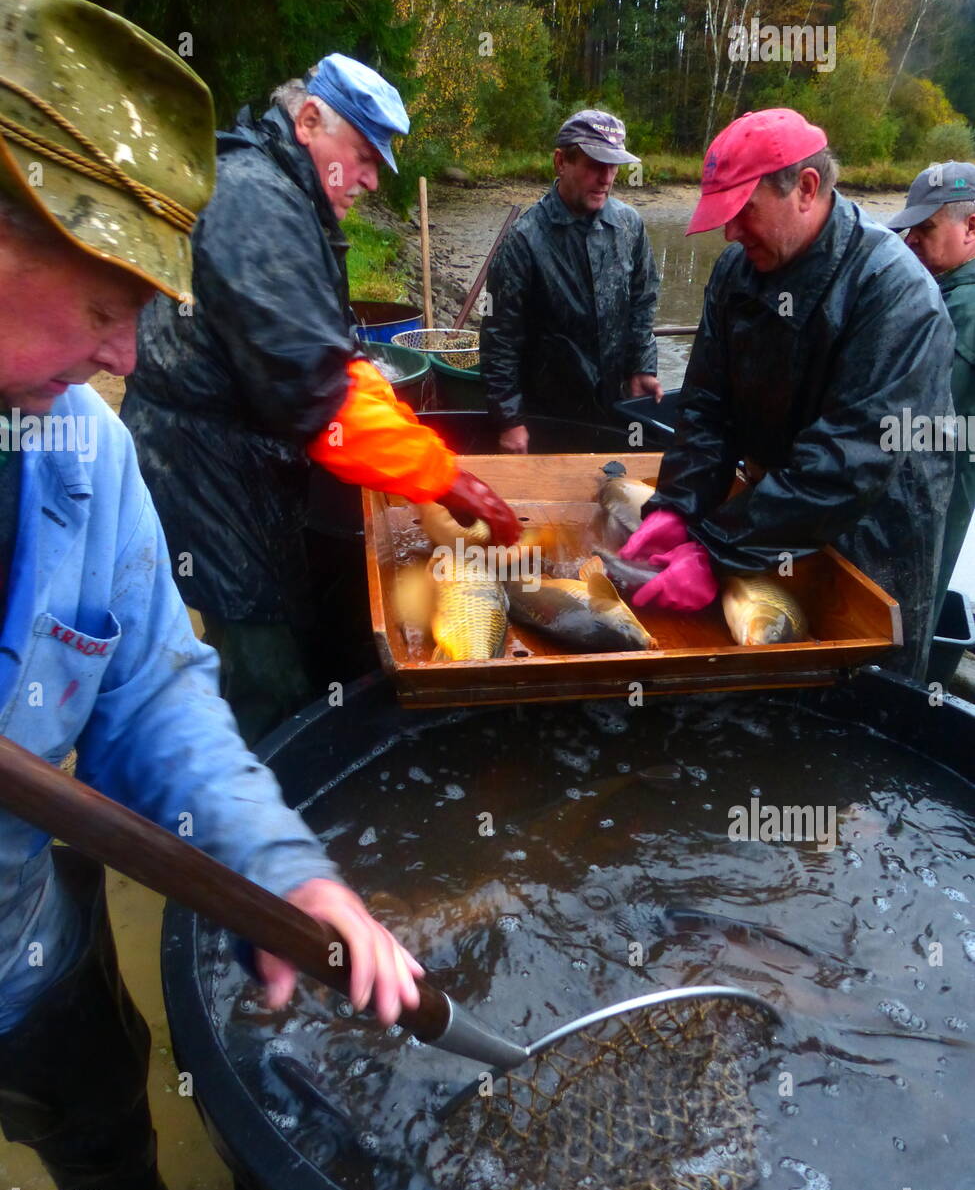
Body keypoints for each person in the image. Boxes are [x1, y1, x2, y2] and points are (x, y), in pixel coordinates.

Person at [0, 0, 424, 1190]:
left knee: (96, 1129)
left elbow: (146, 693)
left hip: (32, 944)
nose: (128, 358)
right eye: (103, 304)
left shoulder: (80, 450)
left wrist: (275, 869)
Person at [123, 54, 518, 745]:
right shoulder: (257, 201)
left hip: (243, 460)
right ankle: (219, 836)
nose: (369, 180)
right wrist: (446, 479)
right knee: (265, 671)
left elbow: (338, 356)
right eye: (363, 155)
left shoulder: (288, 192)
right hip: (201, 469)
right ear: (309, 120)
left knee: (272, 636)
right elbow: (315, 391)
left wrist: (422, 447)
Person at [620, 108, 954, 680]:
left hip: (874, 539)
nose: (729, 233)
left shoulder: (895, 292)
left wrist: (712, 547)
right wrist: (680, 506)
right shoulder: (736, 271)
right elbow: (705, 407)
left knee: (852, 722)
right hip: (770, 520)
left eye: (742, 213)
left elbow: (845, 464)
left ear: (805, 188)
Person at [480, 109, 660, 454]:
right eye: (595, 165)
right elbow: (499, 338)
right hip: (547, 414)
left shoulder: (629, 226)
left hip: (613, 404)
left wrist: (642, 366)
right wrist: (509, 419)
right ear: (561, 162)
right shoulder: (524, 240)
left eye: (613, 166)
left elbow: (643, 302)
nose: (606, 178)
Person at [887, 162, 975, 627]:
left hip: (938, 493)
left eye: (925, 228)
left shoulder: (963, 307)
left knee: (910, 608)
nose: (910, 240)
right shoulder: (943, 290)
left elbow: (925, 429)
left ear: (972, 226)